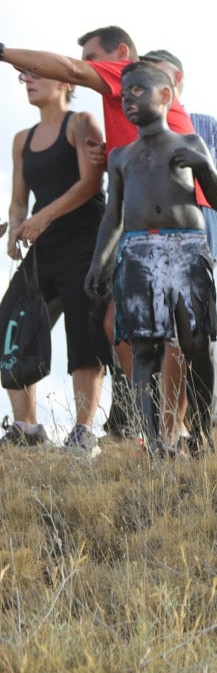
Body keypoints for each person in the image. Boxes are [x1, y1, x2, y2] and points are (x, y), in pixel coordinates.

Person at [0, 27, 210, 441]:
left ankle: (178, 430)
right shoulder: (122, 107)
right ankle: (150, 427)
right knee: (117, 326)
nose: (88, 69)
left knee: (170, 334)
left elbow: (69, 70)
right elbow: (120, 170)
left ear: (121, 54)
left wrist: (4, 51)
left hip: (175, 227)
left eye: (93, 59)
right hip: (134, 227)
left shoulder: (123, 80)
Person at [84, 61, 217, 455]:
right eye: (124, 92)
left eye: (138, 90)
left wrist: (205, 168)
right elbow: (113, 216)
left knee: (196, 342)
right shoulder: (120, 156)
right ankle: (153, 442)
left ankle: (200, 433)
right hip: (138, 251)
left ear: (165, 96)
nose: (128, 99)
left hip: (187, 247)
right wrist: (99, 261)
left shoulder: (190, 144)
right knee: (144, 347)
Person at [1, 65, 110, 453]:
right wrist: (15, 229)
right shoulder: (22, 139)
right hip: (43, 248)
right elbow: (19, 200)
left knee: (84, 335)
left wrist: (43, 216)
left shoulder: (80, 123)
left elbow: (91, 183)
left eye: (35, 74)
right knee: (11, 323)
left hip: (85, 244)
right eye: (23, 77)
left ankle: (82, 432)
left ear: (65, 82)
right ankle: (26, 429)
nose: (28, 82)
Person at [140, 48, 217, 436]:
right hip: (150, 228)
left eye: (158, 74)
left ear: (176, 80)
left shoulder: (205, 125)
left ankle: (207, 414)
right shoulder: (138, 132)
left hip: (200, 215)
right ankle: (163, 423)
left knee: (193, 319)